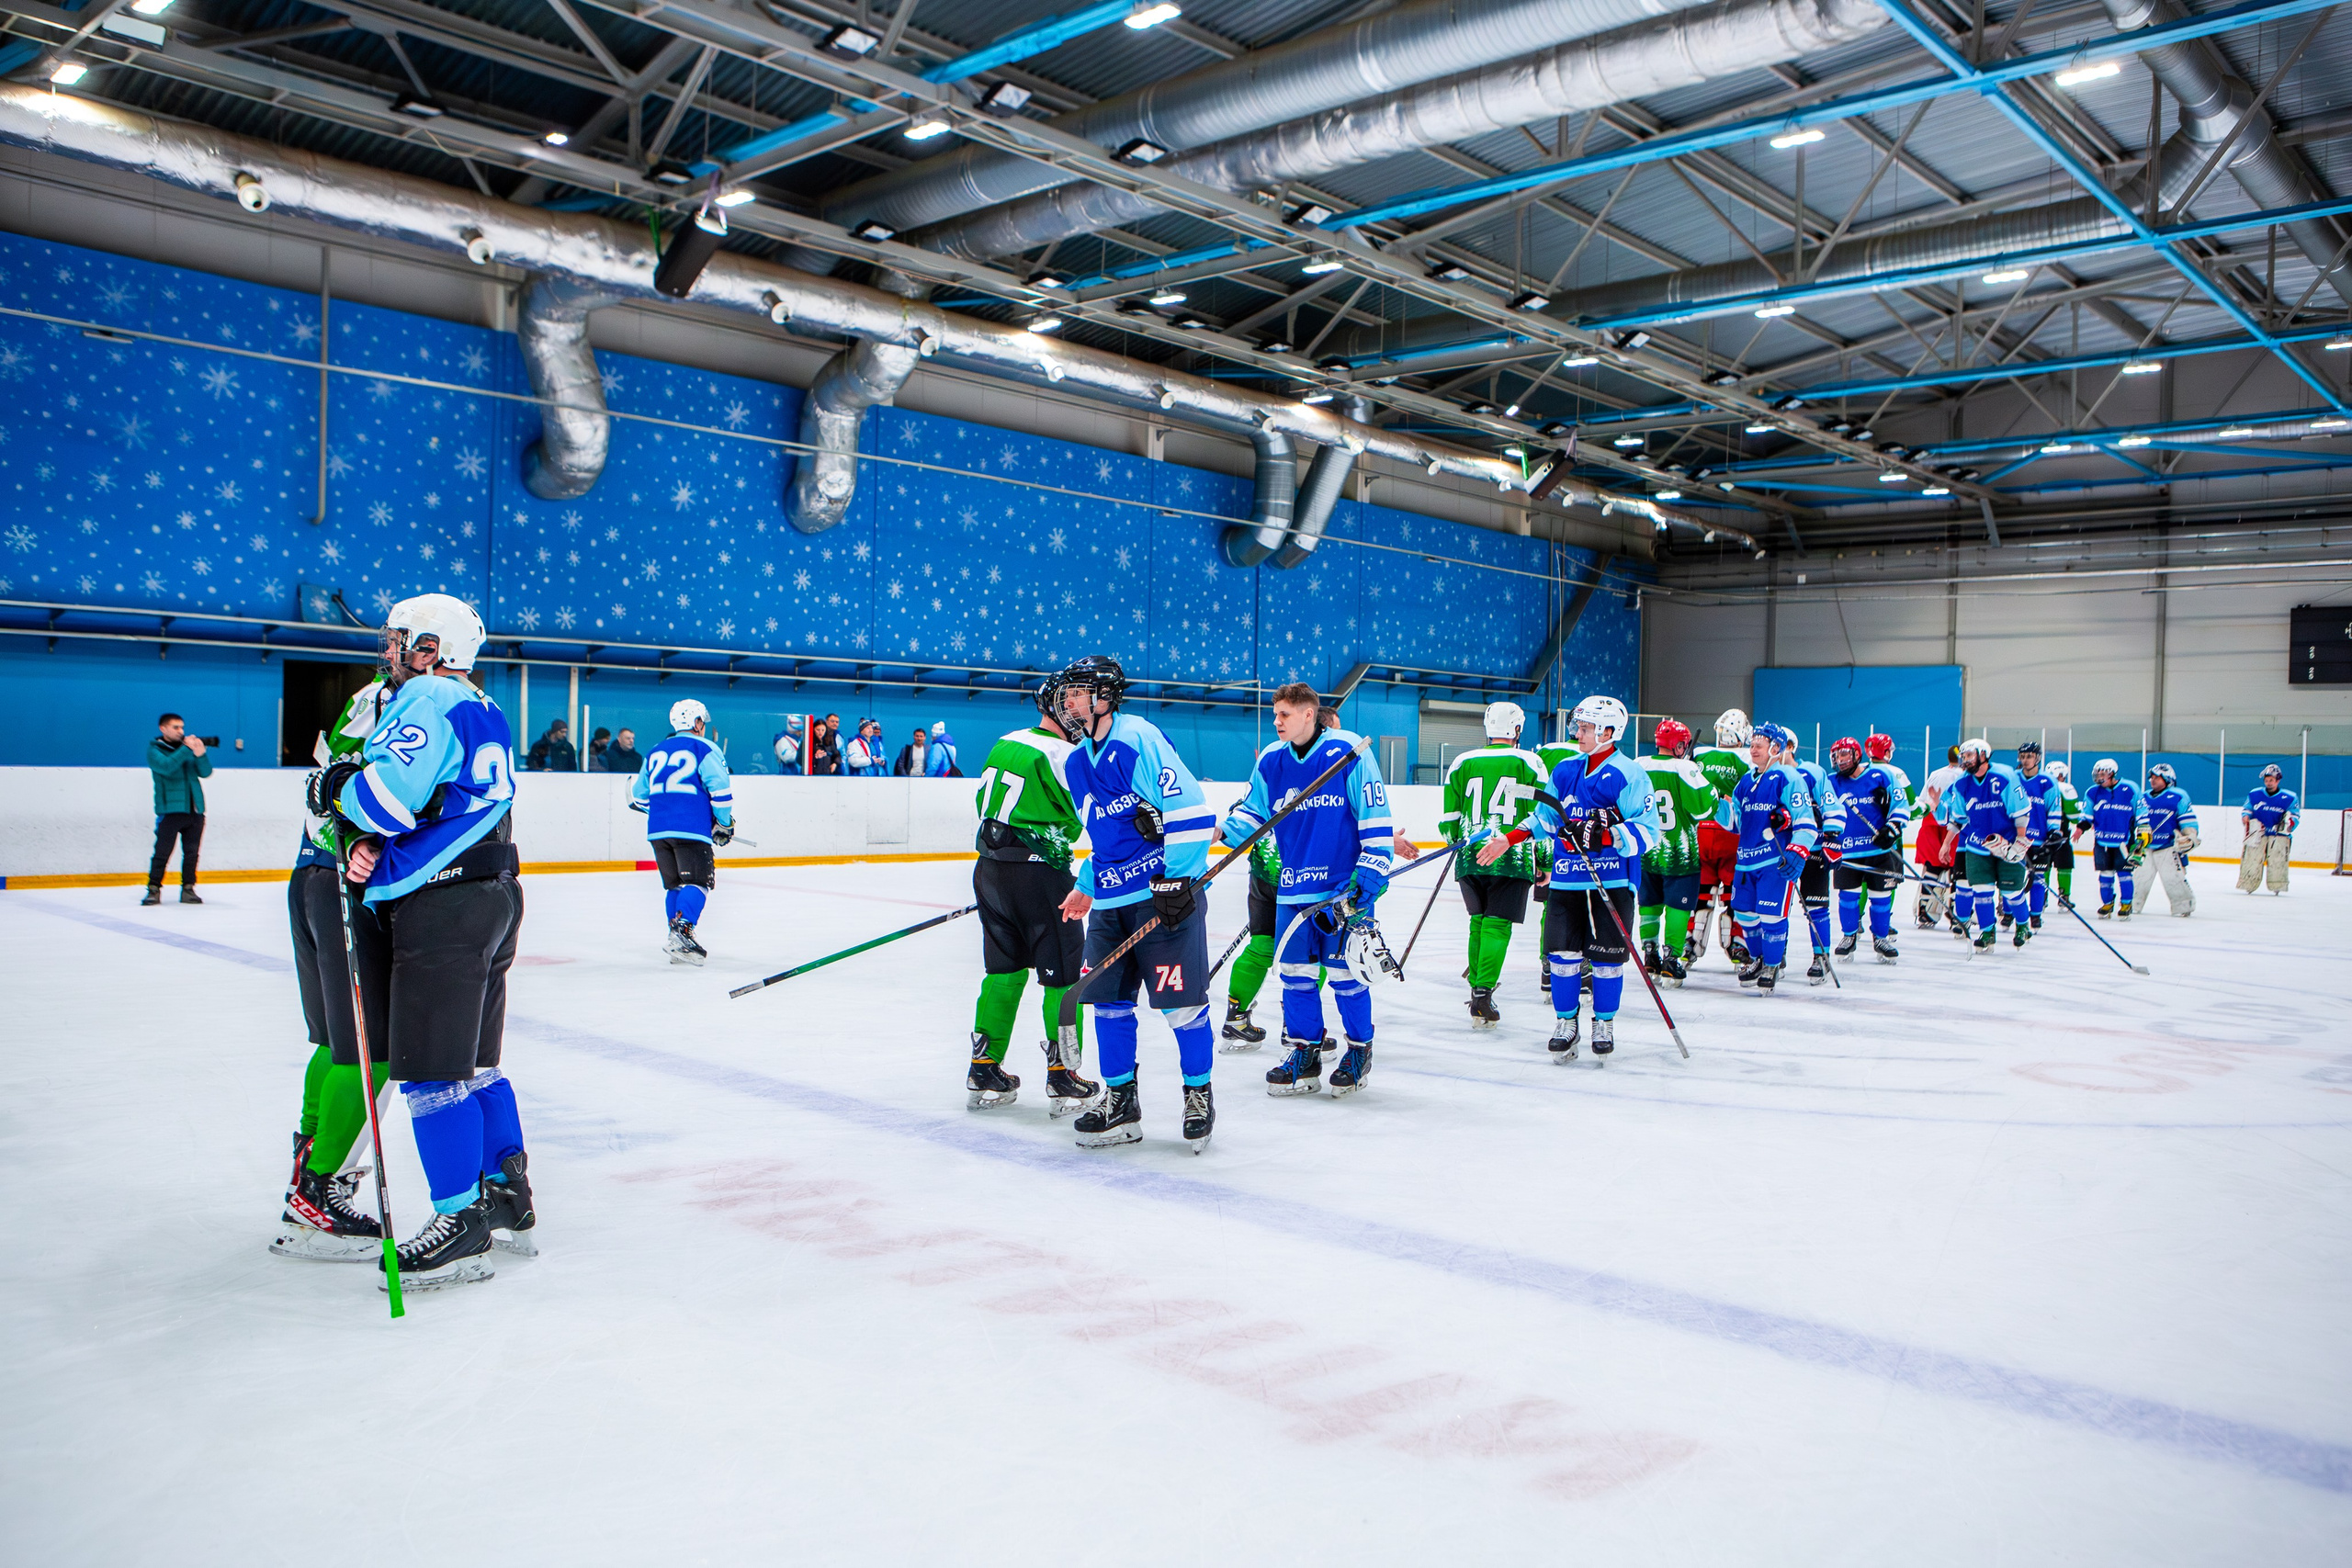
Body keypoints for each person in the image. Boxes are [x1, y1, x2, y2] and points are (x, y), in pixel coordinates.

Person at [311, 592, 530, 1292]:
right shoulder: (481, 704)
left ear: (431, 648)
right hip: (493, 891)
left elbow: (387, 797)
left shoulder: (427, 697)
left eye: (400, 639)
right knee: (477, 1065)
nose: (390, 651)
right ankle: (508, 1192)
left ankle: (459, 1220)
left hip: (443, 905)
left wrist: (336, 787)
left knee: (433, 1074)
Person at [1053, 656, 1220, 1151]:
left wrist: (1180, 880)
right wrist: (1087, 881)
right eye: (1068, 694)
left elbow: (1190, 810)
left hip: (1161, 899)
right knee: (1108, 1002)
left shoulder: (1138, 737)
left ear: (1106, 696)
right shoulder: (1077, 762)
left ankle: (1198, 1094)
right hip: (1111, 903)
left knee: (1181, 1005)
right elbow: (1104, 836)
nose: (1070, 701)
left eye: (1079, 692)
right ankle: (1121, 1100)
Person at [270, 672, 393, 1261]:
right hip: (343, 879)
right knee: (372, 1050)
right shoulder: (399, 699)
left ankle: (309, 1161)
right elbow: (367, 785)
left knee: (331, 1038)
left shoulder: (366, 696)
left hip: (312, 876)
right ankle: (320, 1188)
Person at [1222, 683, 1396, 1098]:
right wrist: (1217, 831)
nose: (1277, 721)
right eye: (1276, 714)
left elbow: (1374, 812)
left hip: (1340, 891)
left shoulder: (1347, 751)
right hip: (1293, 892)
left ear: (1308, 715)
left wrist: (1373, 865)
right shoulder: (1271, 760)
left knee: (1347, 975)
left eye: (1285, 714)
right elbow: (1252, 814)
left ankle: (1358, 1050)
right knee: (1296, 977)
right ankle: (1305, 1052)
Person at [1479, 694, 1659, 1057]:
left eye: (1588, 727)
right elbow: (1546, 818)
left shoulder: (1629, 773)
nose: (1580, 732)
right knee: (1561, 956)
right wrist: (1509, 839)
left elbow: (1649, 831)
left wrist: (1605, 835)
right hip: (1566, 881)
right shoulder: (1564, 770)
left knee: (1608, 961)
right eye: (1580, 725)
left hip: (1610, 882)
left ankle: (1604, 1023)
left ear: (1610, 731)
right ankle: (1567, 1022)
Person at [967, 678, 1099, 1116]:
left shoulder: (1006, 741)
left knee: (1003, 970)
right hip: (1040, 877)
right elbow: (1094, 815)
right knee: (1063, 979)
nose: (1084, 709)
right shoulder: (1066, 754)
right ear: (1058, 707)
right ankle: (1064, 1072)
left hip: (989, 871)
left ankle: (984, 1065)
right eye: (1076, 701)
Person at [1440, 701, 1548, 1028]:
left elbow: (1448, 824)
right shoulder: (1531, 761)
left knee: (1478, 921)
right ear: (1517, 729)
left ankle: (1477, 989)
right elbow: (1541, 816)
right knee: (1497, 924)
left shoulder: (1462, 762)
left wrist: (1459, 843)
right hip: (1510, 857)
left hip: (1470, 855)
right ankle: (1483, 994)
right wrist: (1543, 860)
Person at [630, 699, 736, 964]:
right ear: (695, 722)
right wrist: (723, 823)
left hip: (658, 831)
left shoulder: (656, 750)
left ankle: (674, 937)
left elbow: (639, 796)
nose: (703, 726)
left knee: (675, 884)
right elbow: (721, 792)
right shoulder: (704, 747)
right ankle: (683, 933)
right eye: (702, 721)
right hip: (690, 829)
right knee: (699, 882)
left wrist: (664, 811)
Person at [1725, 725, 1817, 994]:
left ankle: (1773, 964)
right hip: (1745, 860)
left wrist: (1797, 851)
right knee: (1744, 913)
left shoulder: (1787, 777)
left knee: (1770, 914)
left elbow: (1806, 822)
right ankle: (1759, 959)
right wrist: (1712, 803)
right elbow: (1736, 823)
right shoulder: (1746, 780)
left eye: (1759, 744)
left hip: (1772, 861)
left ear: (1776, 749)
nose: (1753, 749)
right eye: (1752, 744)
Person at [1635, 719, 1717, 989]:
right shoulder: (1686, 768)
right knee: (1678, 906)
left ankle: (1649, 953)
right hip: (1681, 855)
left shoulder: (1639, 763)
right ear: (1680, 745)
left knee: (1649, 903)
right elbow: (1704, 809)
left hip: (1646, 850)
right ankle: (1671, 958)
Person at [1939, 738, 2035, 952]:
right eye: (1963, 757)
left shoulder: (2004, 776)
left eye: (1970, 755)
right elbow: (1958, 819)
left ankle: (2023, 925)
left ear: (1983, 755)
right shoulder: (1962, 784)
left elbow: (2020, 811)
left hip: (2007, 845)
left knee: (2011, 892)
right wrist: (1946, 844)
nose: (1965, 760)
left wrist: (2020, 839)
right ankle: (1987, 931)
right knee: (1982, 891)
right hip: (1977, 845)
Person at [1826, 735, 1910, 964]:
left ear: (1856, 754)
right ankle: (1849, 936)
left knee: (1881, 897)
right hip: (1847, 852)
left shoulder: (1881, 775)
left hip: (1878, 851)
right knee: (1848, 898)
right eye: (1836, 756)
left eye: (1844, 755)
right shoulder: (1831, 781)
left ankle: (1881, 938)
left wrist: (1892, 828)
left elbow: (1901, 805)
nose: (1840, 760)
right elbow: (1821, 810)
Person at [1689, 710, 1752, 966]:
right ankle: (1737, 943)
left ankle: (1689, 941)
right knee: (1733, 897)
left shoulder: (1698, 754)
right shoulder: (1749, 757)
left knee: (1700, 895)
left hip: (1698, 832)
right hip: (1732, 833)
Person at [1789, 743, 1850, 983]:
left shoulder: (1813, 772)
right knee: (1776, 909)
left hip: (1812, 849)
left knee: (1815, 907)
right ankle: (1775, 958)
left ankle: (1820, 957)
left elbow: (1832, 806)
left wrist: (1832, 838)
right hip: (1783, 852)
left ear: (1791, 748)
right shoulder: (1768, 774)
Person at [144, 712, 213, 906]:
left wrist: (200, 755)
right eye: (176, 727)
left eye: (182, 727)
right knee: (162, 852)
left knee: (192, 853)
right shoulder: (155, 751)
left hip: (195, 810)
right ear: (163, 728)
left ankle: (188, 888)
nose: (181, 731)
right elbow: (166, 767)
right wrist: (185, 749)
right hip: (170, 810)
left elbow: (206, 773)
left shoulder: (187, 750)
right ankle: (153, 888)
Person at [2075, 758, 2150, 919]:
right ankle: (2108, 903)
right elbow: (2087, 816)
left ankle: (2126, 904)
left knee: (2124, 874)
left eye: (2103, 773)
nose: (2099, 776)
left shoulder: (2130, 788)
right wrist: (2080, 828)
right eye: (2098, 773)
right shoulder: (2092, 792)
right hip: (2102, 842)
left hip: (2124, 841)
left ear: (2112, 773)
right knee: (2105, 875)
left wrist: (2143, 832)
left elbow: (2142, 812)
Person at [2013, 742, 2068, 930]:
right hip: (2016, 838)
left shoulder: (2048, 781)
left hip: (2039, 839)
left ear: (2038, 758)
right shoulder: (2013, 778)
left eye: (2029, 756)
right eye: (2023, 756)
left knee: (2038, 879)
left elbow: (2054, 808)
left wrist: (2054, 831)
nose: (2025, 760)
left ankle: (2035, 915)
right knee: (2012, 877)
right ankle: (2007, 912)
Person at [2132, 762, 2198, 917]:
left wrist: (2190, 835)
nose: (2152, 781)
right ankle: (2132, 904)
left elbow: (2187, 819)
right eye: (2151, 778)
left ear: (2168, 779)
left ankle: (2183, 906)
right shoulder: (2144, 796)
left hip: (2168, 845)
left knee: (2173, 877)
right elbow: (2134, 818)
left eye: (2157, 778)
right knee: (2139, 877)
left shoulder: (2178, 795)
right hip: (2145, 845)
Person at [1913, 745, 1966, 934]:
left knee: (1932, 868)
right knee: (1957, 870)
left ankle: (1925, 910)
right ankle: (1956, 914)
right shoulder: (1967, 777)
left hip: (1931, 822)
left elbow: (1924, 800)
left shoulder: (1935, 773)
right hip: (1955, 826)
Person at [2239, 763, 2300, 894]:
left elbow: (2295, 815)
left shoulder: (2289, 798)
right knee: (2252, 859)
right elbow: (2247, 809)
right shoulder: (2255, 794)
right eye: (2266, 780)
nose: (2269, 783)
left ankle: (2277, 885)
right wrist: (2245, 817)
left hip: (2279, 836)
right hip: (2257, 834)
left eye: (2271, 780)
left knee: (2278, 860)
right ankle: (2248, 883)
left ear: (2278, 780)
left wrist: (2289, 823)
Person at [2042, 759, 2083, 907]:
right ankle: (2064, 897)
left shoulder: (2041, 785)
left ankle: (2041, 897)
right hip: (2061, 833)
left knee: (2042, 866)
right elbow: (2073, 816)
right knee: (2065, 865)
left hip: (2042, 833)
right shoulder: (2065, 788)